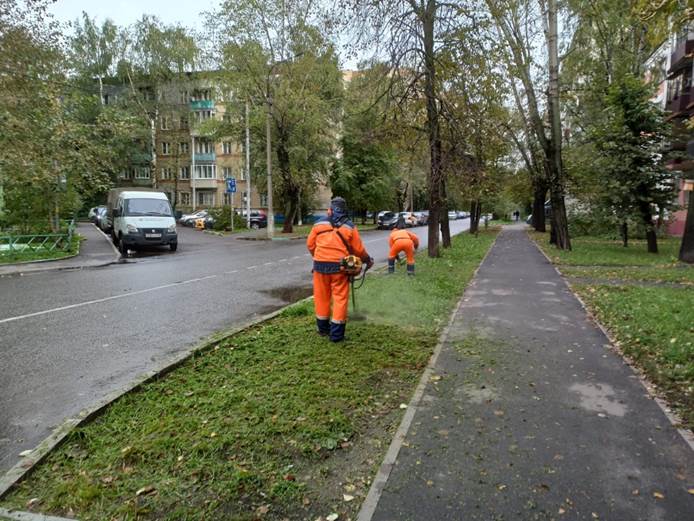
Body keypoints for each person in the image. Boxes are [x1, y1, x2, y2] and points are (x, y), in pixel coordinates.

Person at [306, 197, 373, 342]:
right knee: (340, 299)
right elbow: (358, 250)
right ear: (345, 211)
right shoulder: (349, 226)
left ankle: (323, 329)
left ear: (330, 210)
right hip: (340, 268)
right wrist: (367, 260)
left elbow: (311, 245)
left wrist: (318, 258)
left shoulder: (319, 224)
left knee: (321, 297)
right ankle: (336, 335)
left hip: (319, 267)